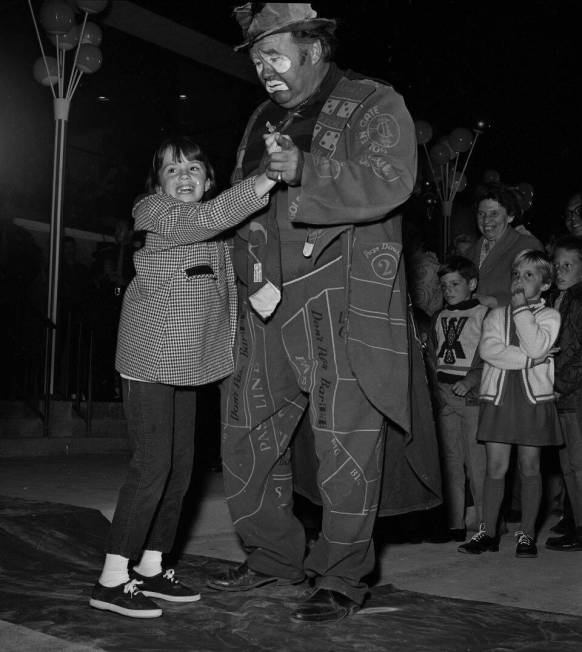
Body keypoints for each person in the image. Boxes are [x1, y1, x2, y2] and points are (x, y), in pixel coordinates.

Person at [202, 3, 425, 623]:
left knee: (344, 448)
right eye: (255, 57)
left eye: (274, 53)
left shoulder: (374, 101)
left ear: (314, 49)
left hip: (339, 300)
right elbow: (244, 202)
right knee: (245, 437)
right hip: (264, 300)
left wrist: (308, 170)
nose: (262, 67)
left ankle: (341, 576)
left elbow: (392, 178)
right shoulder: (260, 116)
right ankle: (273, 558)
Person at [89, 135, 277, 619]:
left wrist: (259, 286)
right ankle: (111, 578)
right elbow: (203, 221)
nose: (184, 177)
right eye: (172, 170)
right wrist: (266, 176)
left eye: (194, 168)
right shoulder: (154, 213)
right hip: (149, 357)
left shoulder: (217, 225)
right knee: (151, 466)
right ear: (157, 184)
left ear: (209, 180)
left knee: (181, 467)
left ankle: (151, 566)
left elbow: (233, 261)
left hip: (190, 364)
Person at [458, 249, 562, 558]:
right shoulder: (494, 315)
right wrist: (532, 360)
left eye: (529, 275)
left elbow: (536, 341)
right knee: (495, 468)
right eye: (516, 274)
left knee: (530, 468)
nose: (520, 280)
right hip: (499, 399)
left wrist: (520, 311)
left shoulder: (549, 316)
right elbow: (491, 351)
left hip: (533, 401)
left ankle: (526, 535)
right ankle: (488, 532)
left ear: (545, 285)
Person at [429, 256, 488, 541]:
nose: (448, 290)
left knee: (476, 463)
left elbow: (490, 355)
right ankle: (454, 523)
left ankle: (486, 523)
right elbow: (434, 356)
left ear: (472, 284)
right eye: (444, 286)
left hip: (471, 398)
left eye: (455, 284)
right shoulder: (439, 317)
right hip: (444, 395)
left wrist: (472, 379)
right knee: (450, 460)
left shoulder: (484, 314)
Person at [545, 235, 582, 551]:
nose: (560, 270)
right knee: (567, 465)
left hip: (574, 394)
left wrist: (558, 384)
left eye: (568, 265)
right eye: (556, 265)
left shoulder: (579, 301)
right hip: (558, 394)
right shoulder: (557, 298)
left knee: (579, 465)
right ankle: (577, 525)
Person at [465, 183, 544, 308]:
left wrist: (494, 301)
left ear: (510, 216)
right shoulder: (469, 253)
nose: (486, 221)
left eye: (494, 214)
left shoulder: (528, 246)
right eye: (481, 214)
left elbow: (535, 293)